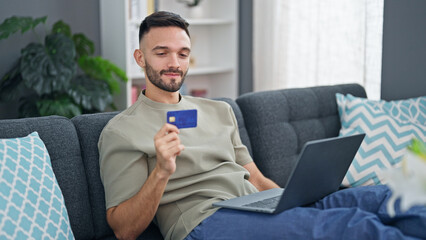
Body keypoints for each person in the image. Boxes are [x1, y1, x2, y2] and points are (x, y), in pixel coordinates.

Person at [99, 11, 426, 240]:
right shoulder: (122, 131)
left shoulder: (219, 110)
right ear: (140, 58)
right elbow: (124, 230)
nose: (174, 63)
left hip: (256, 208)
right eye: (162, 53)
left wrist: (290, 201)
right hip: (206, 224)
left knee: (394, 196)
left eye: (182, 54)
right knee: (354, 227)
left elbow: (254, 177)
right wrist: (162, 171)